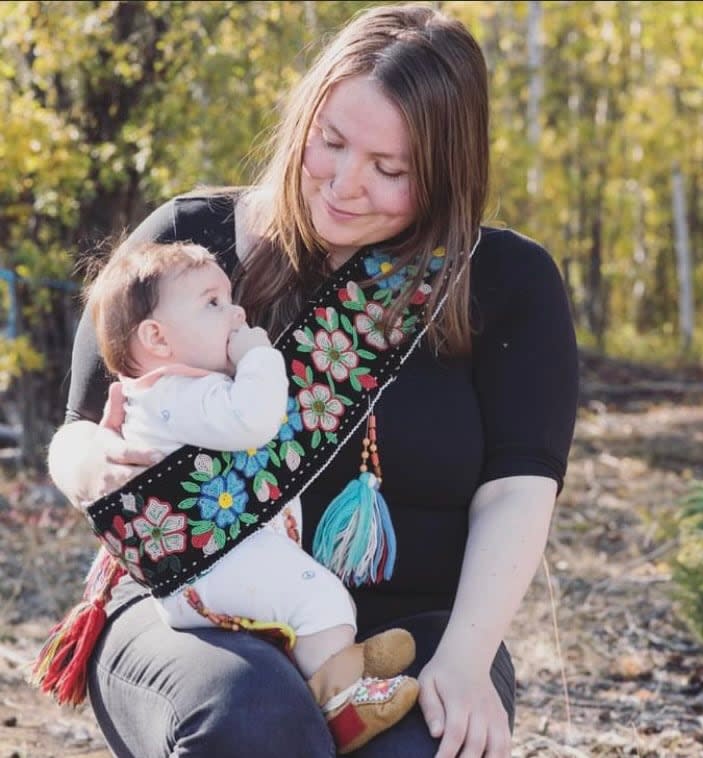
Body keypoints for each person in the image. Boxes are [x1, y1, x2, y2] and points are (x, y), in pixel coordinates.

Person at [47, 4, 578, 757]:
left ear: (446, 175)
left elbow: (518, 489)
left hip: (416, 626)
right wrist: (87, 466)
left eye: (389, 170)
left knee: (417, 745)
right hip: (195, 610)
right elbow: (74, 428)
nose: (343, 184)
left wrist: (465, 659)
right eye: (329, 143)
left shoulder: (508, 282)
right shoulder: (187, 242)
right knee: (255, 722)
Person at [76, 239, 420, 753]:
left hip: (215, 560)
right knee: (316, 599)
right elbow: (256, 419)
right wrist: (259, 356)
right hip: (210, 562)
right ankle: (342, 699)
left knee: (317, 597)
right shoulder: (175, 396)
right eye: (212, 303)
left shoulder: (175, 391)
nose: (236, 311)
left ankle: (343, 666)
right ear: (157, 338)